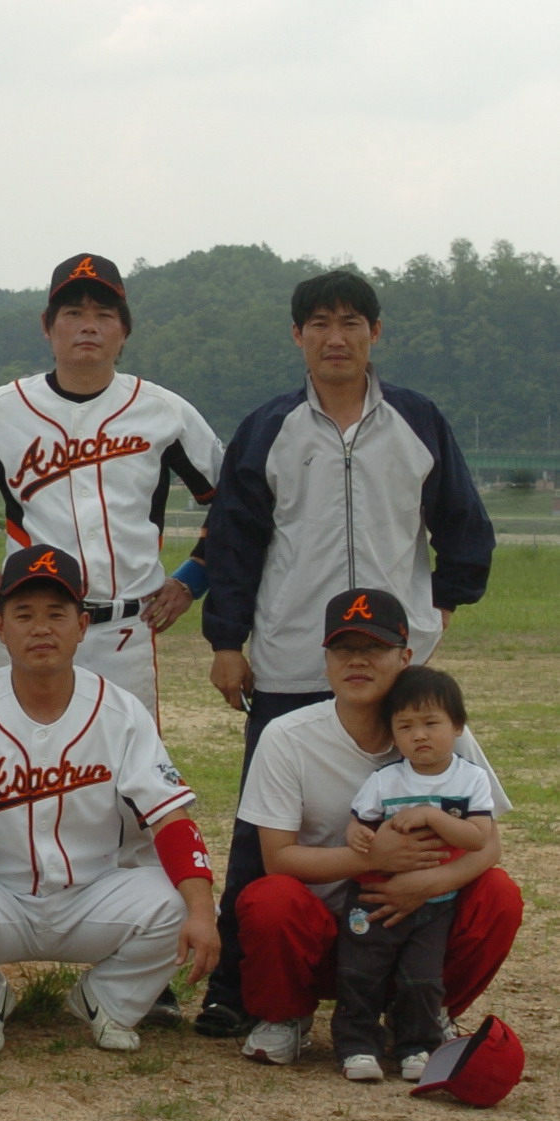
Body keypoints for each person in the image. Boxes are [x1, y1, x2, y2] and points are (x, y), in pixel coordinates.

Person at [198, 269, 496, 1037]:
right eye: (320, 324)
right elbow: (232, 541)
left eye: (351, 322)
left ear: (375, 333)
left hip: (397, 663)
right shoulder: (267, 427)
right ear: (296, 336)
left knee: (418, 814)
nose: (336, 338)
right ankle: (238, 987)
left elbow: (462, 521)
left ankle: (406, 987)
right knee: (264, 833)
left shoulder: (417, 420)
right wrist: (226, 640)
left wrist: (444, 601)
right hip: (293, 657)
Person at [0, 545, 219, 1056]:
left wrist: (203, 910)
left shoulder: (121, 711)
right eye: (24, 614)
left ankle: (107, 1000)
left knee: (180, 904)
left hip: (93, 897)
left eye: (56, 614)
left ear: (81, 626)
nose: (41, 629)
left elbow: (169, 816)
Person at [231, 589, 519, 1069]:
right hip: (325, 931)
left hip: (424, 920)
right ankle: (285, 1016)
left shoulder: (438, 729)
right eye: (343, 648)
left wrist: (426, 884)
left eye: (375, 648)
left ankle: (427, 1014)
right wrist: (372, 858)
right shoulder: (286, 735)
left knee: (499, 895)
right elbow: (277, 858)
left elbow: (489, 844)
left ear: (406, 658)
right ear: (325, 661)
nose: (357, 661)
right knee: (270, 899)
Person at [0, 253, 221, 716]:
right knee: (14, 752)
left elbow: (233, 503)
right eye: (73, 313)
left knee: (123, 759)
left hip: (126, 629)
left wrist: (193, 577)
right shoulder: (0, 410)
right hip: (31, 624)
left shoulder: (165, 412)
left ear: (124, 331)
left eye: (104, 314)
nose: (89, 326)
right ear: (47, 326)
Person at [333, 665, 497, 1082]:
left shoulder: (472, 779)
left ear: (457, 726)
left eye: (430, 723)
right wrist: (356, 835)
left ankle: (416, 1047)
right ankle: (357, 1047)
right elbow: (359, 823)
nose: (419, 735)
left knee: (423, 979)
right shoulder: (385, 780)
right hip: (374, 898)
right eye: (405, 726)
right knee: (360, 973)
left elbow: (479, 838)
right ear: (392, 733)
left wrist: (431, 815)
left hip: (435, 904)